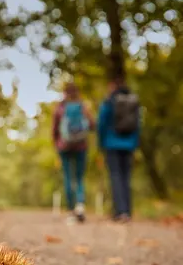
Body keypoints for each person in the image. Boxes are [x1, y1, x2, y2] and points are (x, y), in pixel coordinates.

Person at [97, 76, 140, 222]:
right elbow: (137, 124)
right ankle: (127, 211)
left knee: (115, 176)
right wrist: (134, 144)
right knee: (126, 177)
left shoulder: (109, 101)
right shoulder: (132, 101)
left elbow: (101, 123)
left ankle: (120, 212)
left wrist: (101, 144)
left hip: (111, 144)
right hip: (128, 145)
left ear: (112, 85)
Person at [52, 82, 94, 222]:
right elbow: (93, 125)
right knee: (80, 177)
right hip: (81, 146)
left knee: (68, 177)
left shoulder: (60, 108)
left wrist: (56, 146)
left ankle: (71, 209)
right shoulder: (83, 107)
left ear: (65, 93)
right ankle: (80, 205)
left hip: (64, 147)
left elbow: (55, 130)